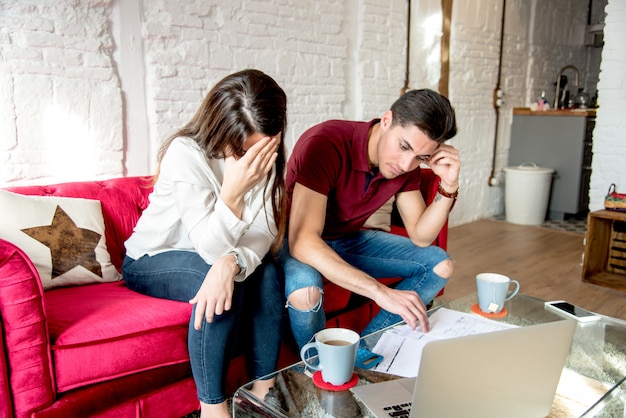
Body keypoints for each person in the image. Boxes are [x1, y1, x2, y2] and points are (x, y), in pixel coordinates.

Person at [122, 69, 288, 418]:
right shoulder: (186, 153)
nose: (253, 160)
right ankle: (212, 408)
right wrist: (233, 193)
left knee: (268, 271)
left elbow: (263, 232)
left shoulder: (264, 156)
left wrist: (232, 263)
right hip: (152, 258)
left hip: (216, 256)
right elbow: (210, 248)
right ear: (220, 129)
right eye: (243, 150)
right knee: (212, 282)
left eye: (262, 148)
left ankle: (263, 392)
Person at [280, 88, 460, 350]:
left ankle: (361, 350)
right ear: (386, 120)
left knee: (440, 265)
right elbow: (302, 242)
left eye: (420, 158)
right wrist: (380, 292)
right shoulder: (325, 142)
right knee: (304, 295)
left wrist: (449, 184)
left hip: (348, 239)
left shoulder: (407, 165)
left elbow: (422, 236)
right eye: (403, 146)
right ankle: (317, 368)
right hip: (299, 240)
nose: (406, 164)